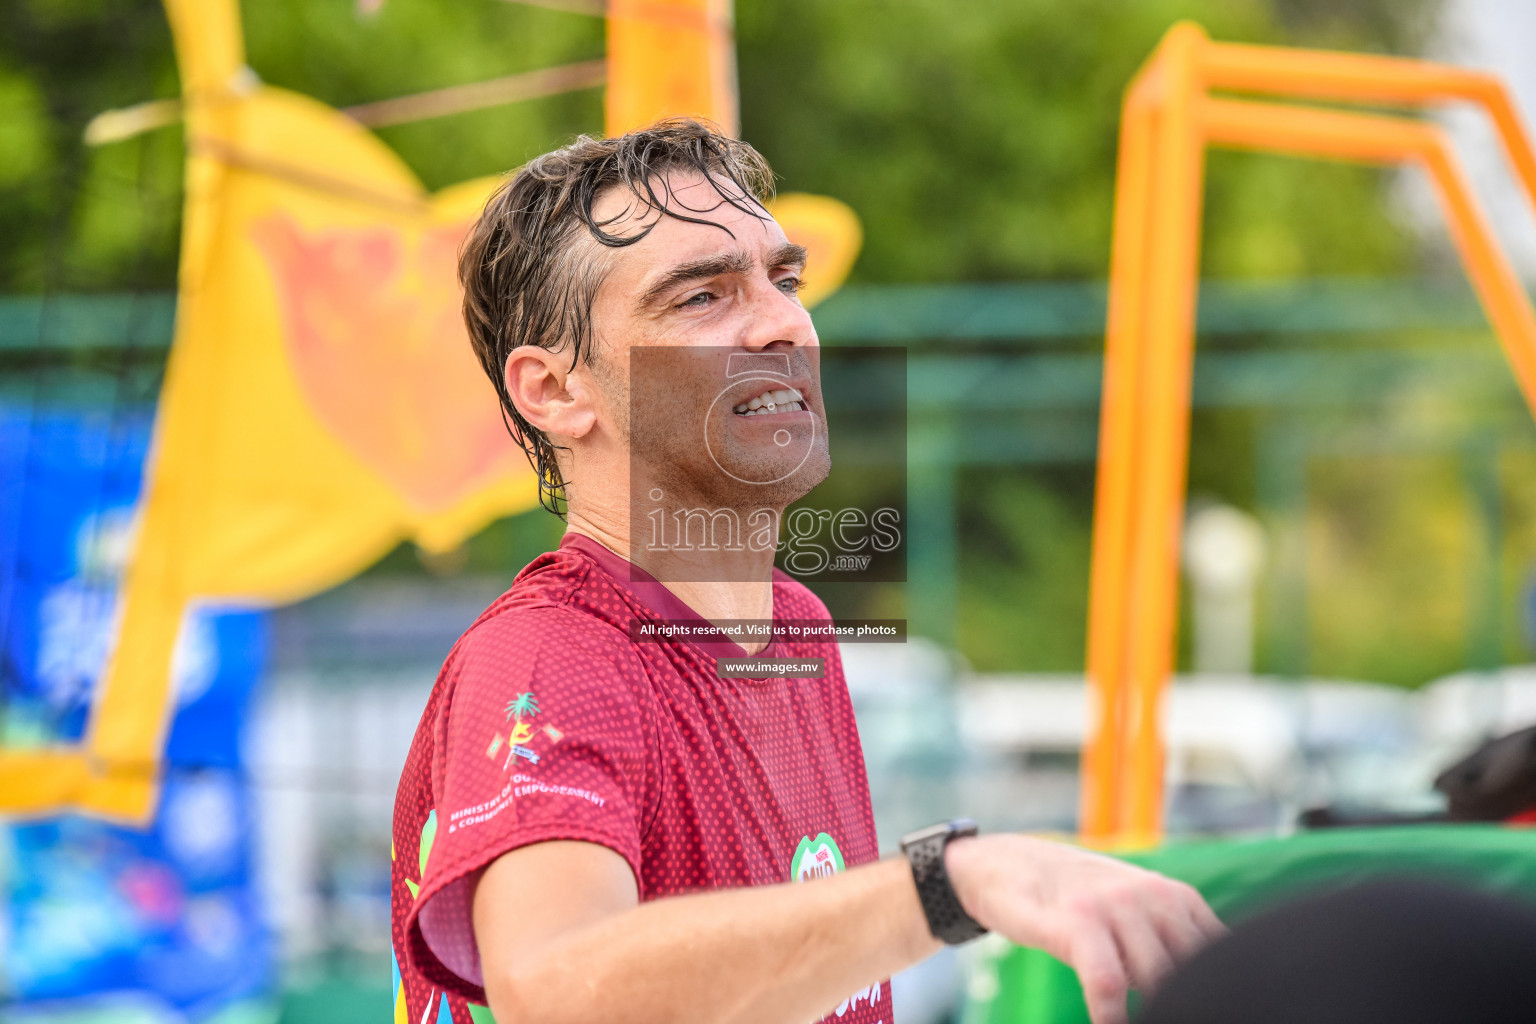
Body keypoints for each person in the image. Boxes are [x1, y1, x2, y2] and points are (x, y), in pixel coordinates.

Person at [389, 118, 1223, 1024]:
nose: (784, 323)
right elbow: (554, 989)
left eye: (784, 280)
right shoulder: (553, 657)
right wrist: (949, 883)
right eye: (701, 297)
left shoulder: (797, 631)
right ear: (554, 391)